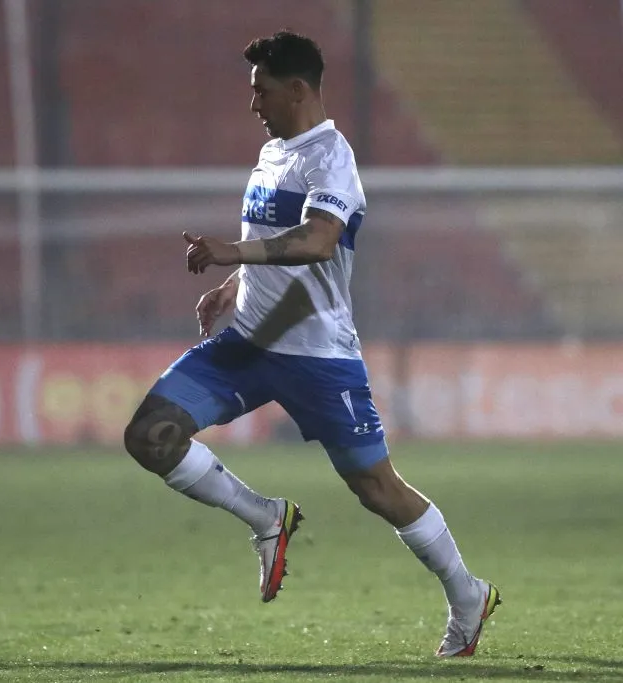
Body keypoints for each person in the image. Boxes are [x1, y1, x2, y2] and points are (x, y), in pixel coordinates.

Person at [123, 32, 500, 657]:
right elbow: (276, 235)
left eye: (261, 91)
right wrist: (232, 283)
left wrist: (232, 250)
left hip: (319, 356)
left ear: (297, 89)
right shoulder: (272, 152)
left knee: (377, 490)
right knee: (150, 436)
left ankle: (467, 594)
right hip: (250, 342)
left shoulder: (332, 158)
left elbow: (320, 241)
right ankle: (265, 518)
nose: (253, 103)